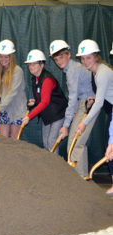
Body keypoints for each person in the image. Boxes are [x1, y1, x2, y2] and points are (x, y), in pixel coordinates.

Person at [49, 40, 95, 177]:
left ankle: (80, 179)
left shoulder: (73, 70)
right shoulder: (72, 68)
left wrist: (65, 125)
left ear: (69, 55)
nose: (59, 61)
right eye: (56, 59)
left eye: (61, 57)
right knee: (76, 143)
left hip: (87, 103)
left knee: (75, 143)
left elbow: (73, 98)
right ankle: (81, 177)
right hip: (84, 102)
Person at [76, 39, 113, 195]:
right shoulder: (95, 71)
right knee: (109, 146)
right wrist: (94, 96)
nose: (85, 61)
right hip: (110, 110)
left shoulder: (103, 72)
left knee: (109, 147)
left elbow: (98, 104)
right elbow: (102, 95)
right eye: (83, 58)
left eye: (88, 57)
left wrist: (84, 123)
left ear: (96, 56)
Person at [22, 49, 68, 154]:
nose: (31, 67)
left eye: (34, 64)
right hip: (47, 115)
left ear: (42, 64)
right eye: (29, 64)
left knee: (51, 142)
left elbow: (45, 102)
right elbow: (43, 99)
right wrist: (35, 103)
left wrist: (29, 116)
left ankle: (56, 168)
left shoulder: (47, 79)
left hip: (58, 114)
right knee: (46, 143)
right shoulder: (35, 79)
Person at [0, 39, 27, 140]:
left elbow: (12, 92)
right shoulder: (0, 72)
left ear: (11, 57)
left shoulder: (18, 71)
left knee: (14, 141)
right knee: (3, 141)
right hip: (5, 110)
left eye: (6, 56)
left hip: (17, 112)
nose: (3, 59)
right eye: (1, 56)